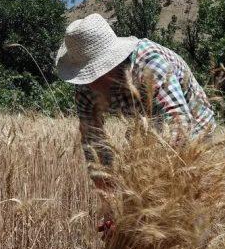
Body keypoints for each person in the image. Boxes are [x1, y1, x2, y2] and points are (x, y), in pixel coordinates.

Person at [55, 13, 216, 192]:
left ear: (112, 63)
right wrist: (110, 197)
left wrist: (147, 186)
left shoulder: (150, 64)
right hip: (143, 123)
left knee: (183, 189)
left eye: (95, 74)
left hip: (193, 120)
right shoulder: (85, 88)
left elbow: (180, 127)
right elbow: (93, 142)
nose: (90, 83)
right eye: (85, 75)